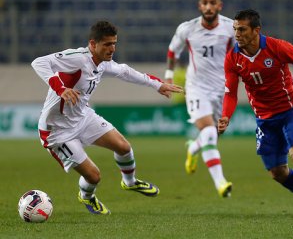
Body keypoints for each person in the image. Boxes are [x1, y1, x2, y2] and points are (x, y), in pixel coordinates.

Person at [31, 20, 183, 215]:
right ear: (93, 44)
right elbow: (39, 62)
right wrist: (60, 88)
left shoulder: (103, 63)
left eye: (114, 43)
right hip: (57, 131)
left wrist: (158, 85)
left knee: (124, 147)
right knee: (94, 176)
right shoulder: (78, 58)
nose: (112, 49)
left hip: (82, 117)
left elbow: (126, 71)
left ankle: (130, 182)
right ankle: (87, 197)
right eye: (107, 44)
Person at [218, 9, 293, 217]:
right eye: (235, 29)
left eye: (242, 29)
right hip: (265, 120)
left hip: (290, 111)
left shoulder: (276, 47)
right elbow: (230, 94)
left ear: (256, 30)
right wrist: (225, 116)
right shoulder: (232, 58)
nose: (237, 34)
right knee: (277, 173)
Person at [164, 0, 234, 197]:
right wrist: (169, 75)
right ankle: (221, 183)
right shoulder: (187, 29)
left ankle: (193, 148)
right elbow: (172, 51)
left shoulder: (231, 28)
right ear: (199, 5)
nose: (209, 6)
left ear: (219, 6)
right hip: (197, 88)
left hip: (222, 90)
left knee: (213, 134)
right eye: (205, 2)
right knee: (210, 132)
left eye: (213, 3)